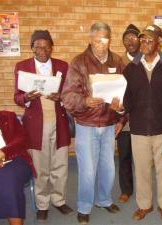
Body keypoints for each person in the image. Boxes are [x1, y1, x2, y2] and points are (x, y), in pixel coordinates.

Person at [61, 22, 126, 225]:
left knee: (108, 169)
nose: (101, 44)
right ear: (90, 39)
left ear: (110, 39)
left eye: (105, 39)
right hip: (86, 126)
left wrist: (121, 113)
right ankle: (84, 206)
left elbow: (127, 93)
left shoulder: (117, 60)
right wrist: (85, 101)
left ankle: (104, 200)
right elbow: (67, 96)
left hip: (108, 125)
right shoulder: (79, 62)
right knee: (87, 171)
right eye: (97, 40)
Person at [14, 30, 73, 222]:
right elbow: (17, 96)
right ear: (32, 48)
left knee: (61, 164)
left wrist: (61, 98)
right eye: (38, 46)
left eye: (46, 46)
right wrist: (27, 98)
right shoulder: (22, 67)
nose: (42, 50)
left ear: (51, 47)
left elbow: (70, 94)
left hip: (59, 122)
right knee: (40, 166)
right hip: (35, 125)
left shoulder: (63, 66)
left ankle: (59, 200)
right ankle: (42, 203)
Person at [123, 24, 162, 223]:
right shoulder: (131, 69)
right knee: (142, 170)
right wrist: (120, 108)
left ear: (159, 43)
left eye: (149, 40)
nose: (144, 44)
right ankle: (144, 205)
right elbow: (126, 98)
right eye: (142, 40)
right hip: (138, 129)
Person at [0, 97, 34, 225]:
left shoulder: (8, 117)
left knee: (8, 178)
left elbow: (23, 139)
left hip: (15, 158)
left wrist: (2, 152)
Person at [117, 23, 140, 203]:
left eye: (133, 38)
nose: (129, 41)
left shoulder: (146, 61)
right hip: (123, 119)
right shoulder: (118, 62)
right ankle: (126, 189)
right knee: (124, 155)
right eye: (126, 39)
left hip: (142, 119)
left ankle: (143, 190)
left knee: (142, 159)